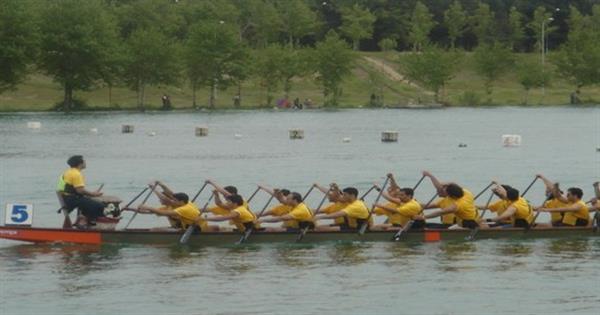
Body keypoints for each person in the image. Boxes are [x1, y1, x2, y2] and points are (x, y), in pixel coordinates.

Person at [413, 171, 479, 229]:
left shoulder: (457, 205)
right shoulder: (465, 192)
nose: (438, 191)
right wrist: (430, 176)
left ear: (450, 195)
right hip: (458, 221)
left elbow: (440, 212)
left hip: (468, 223)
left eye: (443, 191)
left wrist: (423, 217)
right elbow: (428, 205)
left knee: (447, 229)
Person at [57, 155, 105, 226]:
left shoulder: (68, 172)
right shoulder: (76, 174)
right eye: (84, 161)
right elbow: (80, 191)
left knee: (89, 203)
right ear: (80, 164)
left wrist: (90, 194)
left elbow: (76, 189)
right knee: (100, 206)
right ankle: (91, 224)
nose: (85, 162)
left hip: (66, 198)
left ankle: (83, 220)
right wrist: (93, 194)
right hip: (72, 199)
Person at [137, 192, 207, 231]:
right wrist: (130, 209)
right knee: (154, 230)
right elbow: (152, 212)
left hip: (195, 228)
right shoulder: (187, 202)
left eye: (174, 200)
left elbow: (161, 213)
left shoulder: (183, 209)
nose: (172, 201)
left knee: (154, 230)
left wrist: (147, 207)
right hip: (188, 227)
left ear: (181, 201)